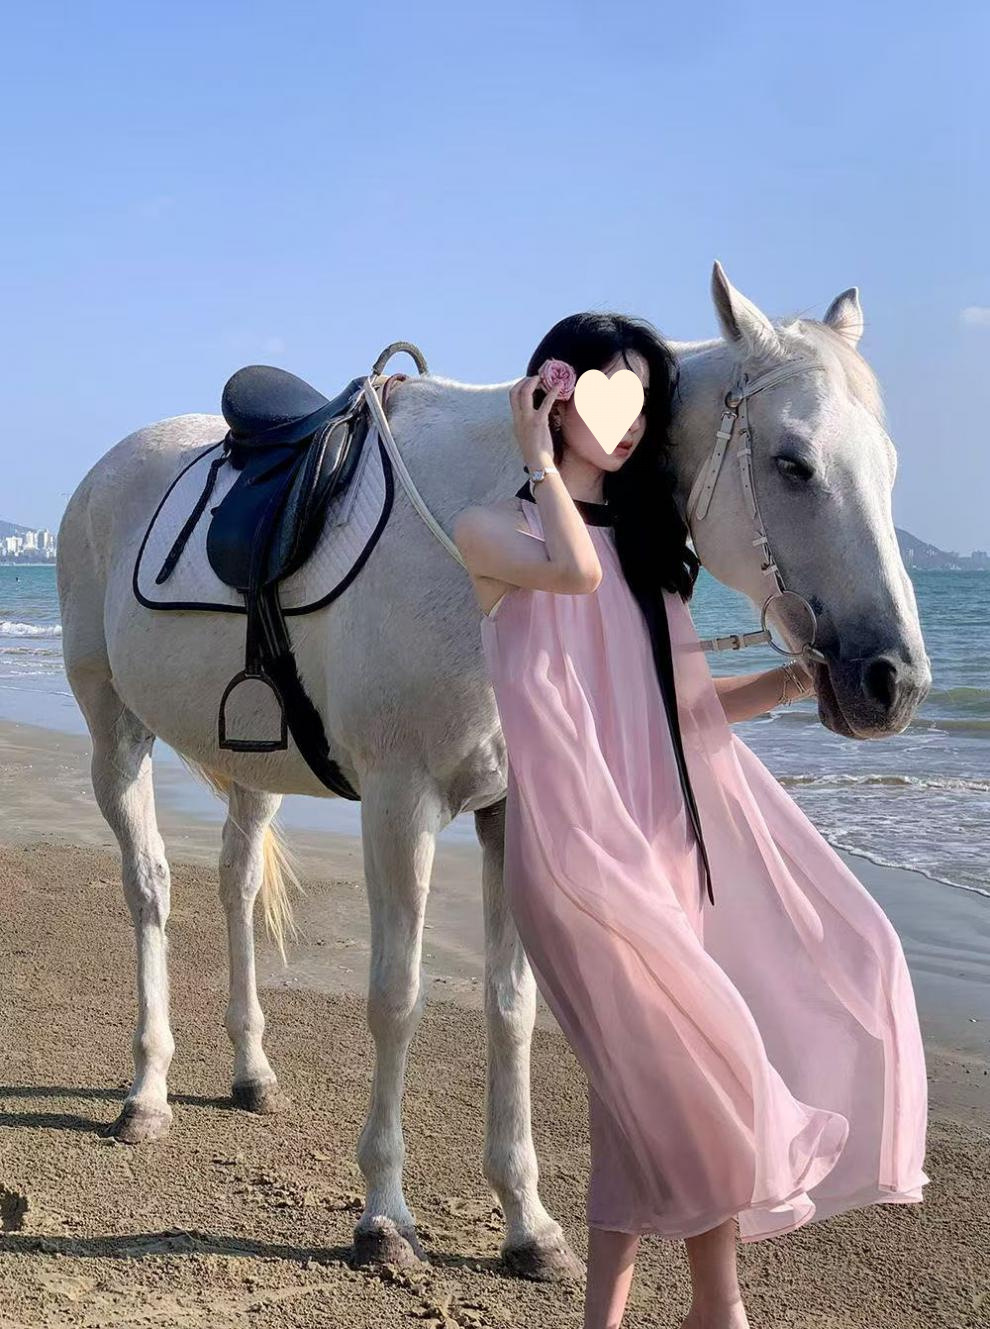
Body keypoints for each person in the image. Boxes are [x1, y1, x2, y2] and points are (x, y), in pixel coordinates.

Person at [452, 313, 929, 1329]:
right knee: (713, 1074)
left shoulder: (648, 560)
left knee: (641, 1104)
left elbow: (685, 708)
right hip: (577, 856)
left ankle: (649, 1313)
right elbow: (572, 573)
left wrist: (793, 681)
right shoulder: (492, 532)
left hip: (664, 846)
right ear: (552, 395)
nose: (630, 423)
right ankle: (720, 1309)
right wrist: (536, 459)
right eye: (608, 396)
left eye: (644, 402)